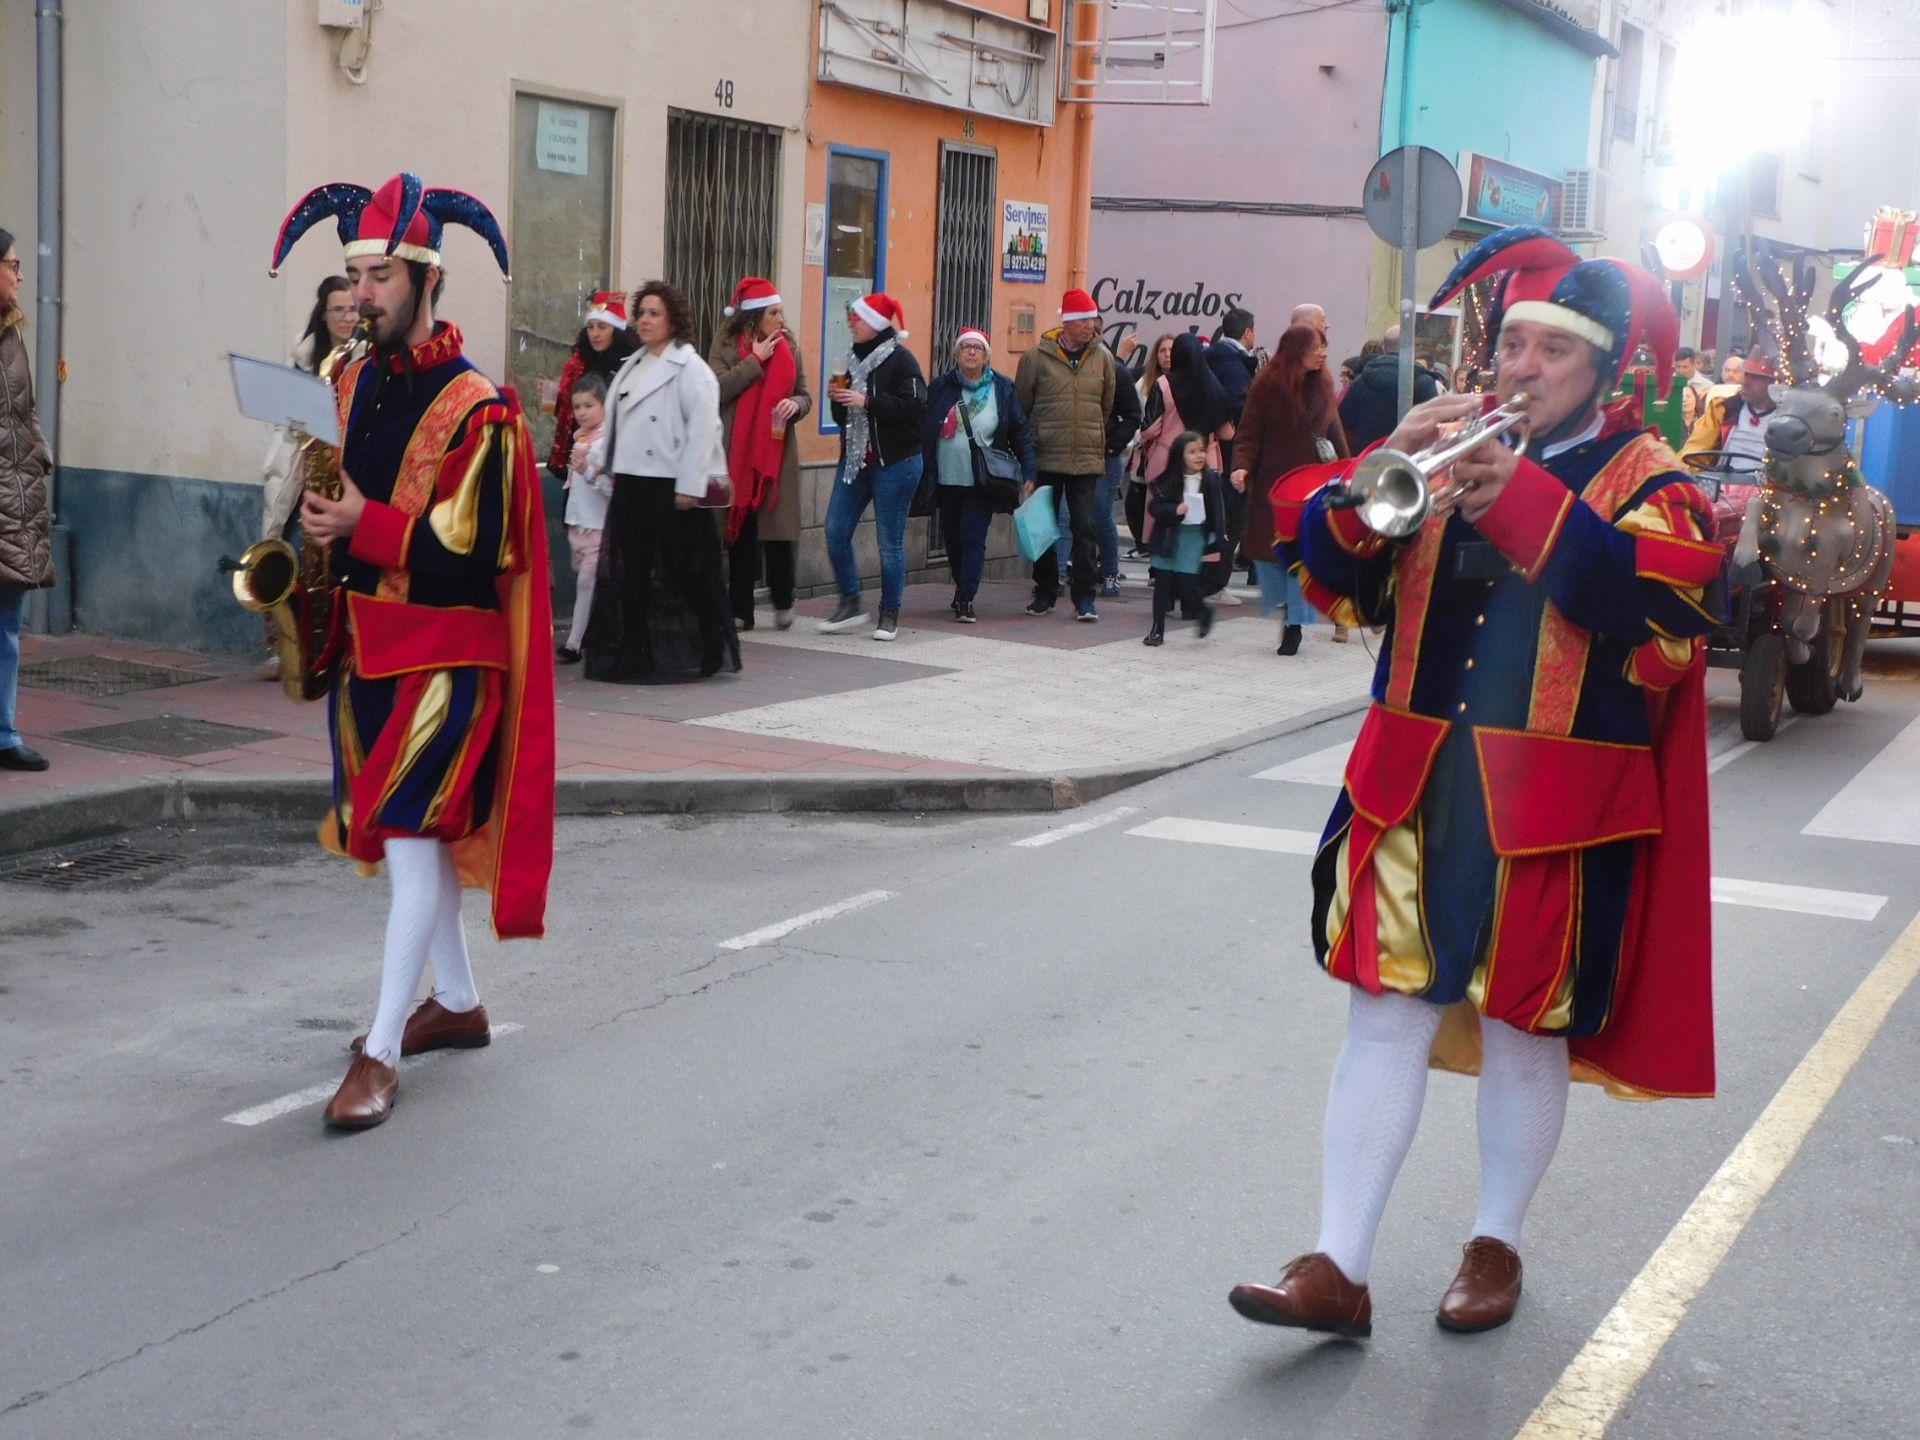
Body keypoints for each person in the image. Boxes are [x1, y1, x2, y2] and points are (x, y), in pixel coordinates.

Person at [1229, 224, 1720, 1340]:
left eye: (1551, 352)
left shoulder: (1654, 479)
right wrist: (1376, 467)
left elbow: (1663, 613)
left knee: (1522, 1028)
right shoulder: (1441, 451)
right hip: (1410, 785)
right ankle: (1337, 1267)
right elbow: (1327, 567)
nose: (1520, 370)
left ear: (1604, 367)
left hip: (1552, 804)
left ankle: (1495, 1242)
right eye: (1512, 349)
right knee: (1383, 1019)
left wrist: (1516, 499)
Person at [272, 171, 556, 1129]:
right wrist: (321, 526)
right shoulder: (349, 379)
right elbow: (342, 501)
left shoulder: (482, 405)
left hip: (446, 653)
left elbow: (481, 548)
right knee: (412, 846)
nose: (363, 292)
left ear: (426, 276)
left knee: (405, 837)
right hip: (366, 644)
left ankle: (382, 1053)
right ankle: (460, 1004)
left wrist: (365, 520)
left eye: (381, 274)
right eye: (355, 275)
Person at [584, 281, 741, 681]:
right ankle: (634, 653)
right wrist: (601, 460)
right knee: (630, 573)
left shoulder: (692, 370)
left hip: (671, 487)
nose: (646, 320)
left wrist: (690, 484)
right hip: (633, 484)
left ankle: (710, 643)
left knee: (687, 572)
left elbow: (705, 429)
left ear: (673, 319)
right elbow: (619, 423)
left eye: (655, 313)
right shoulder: (633, 365)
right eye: (642, 313)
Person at [256, 276, 364, 680]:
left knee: (341, 562)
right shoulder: (303, 358)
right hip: (303, 472)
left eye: (352, 308)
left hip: (347, 474)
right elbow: (284, 417)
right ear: (323, 314)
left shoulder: (367, 356)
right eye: (339, 309)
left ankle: (340, 643)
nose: (348, 317)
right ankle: (287, 645)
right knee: (291, 553)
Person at [1232, 323, 1351, 655]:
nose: (1322, 354)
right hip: (1276, 484)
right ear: (1296, 351)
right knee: (1277, 554)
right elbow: (1250, 430)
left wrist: (1348, 467)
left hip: (1313, 485)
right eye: (1315, 348)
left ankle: (1294, 624)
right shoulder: (1268, 384)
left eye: (1323, 347)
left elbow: (1334, 429)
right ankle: (1287, 612)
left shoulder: (1324, 383)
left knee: (1302, 554)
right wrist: (1242, 465)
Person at [821, 293, 926, 642]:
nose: (852, 323)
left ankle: (889, 612)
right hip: (856, 461)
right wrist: (837, 401)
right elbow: (843, 418)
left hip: (895, 462)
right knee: (835, 530)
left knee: (889, 543)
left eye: (859, 318)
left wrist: (867, 401)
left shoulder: (901, 361)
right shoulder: (851, 360)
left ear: (877, 325)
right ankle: (850, 602)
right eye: (851, 318)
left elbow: (914, 409)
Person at [709, 277, 810, 632]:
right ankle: (741, 610)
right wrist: (754, 361)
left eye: (781, 311)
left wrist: (794, 405)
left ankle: (784, 600)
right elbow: (715, 390)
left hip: (775, 452)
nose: (781, 318)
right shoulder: (724, 345)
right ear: (753, 316)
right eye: (774, 312)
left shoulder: (790, 347)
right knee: (741, 532)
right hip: (737, 452)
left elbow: (805, 396)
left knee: (778, 532)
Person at [1015, 288, 1120, 622]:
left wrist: (1093, 436)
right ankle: (1045, 592)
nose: (1091, 326)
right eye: (1085, 320)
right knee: (1044, 528)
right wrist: (1030, 449)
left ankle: (1085, 598)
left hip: (1086, 458)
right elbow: (1022, 405)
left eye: (1092, 319)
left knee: (1084, 528)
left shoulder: (1103, 357)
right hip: (1047, 454)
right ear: (1069, 323)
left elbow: (1106, 404)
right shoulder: (1036, 357)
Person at [923, 328, 1036, 622]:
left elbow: (1020, 432)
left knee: (973, 536)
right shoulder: (940, 387)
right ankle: (963, 585)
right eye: (966, 347)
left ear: (986, 355)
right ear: (956, 354)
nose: (971, 352)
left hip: (983, 480)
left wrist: (1030, 470)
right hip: (947, 477)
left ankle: (965, 598)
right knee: (953, 538)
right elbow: (923, 426)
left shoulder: (1002, 388)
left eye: (977, 348)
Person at [0, 226, 53, 773]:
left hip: (16, 498)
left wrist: (39, 453)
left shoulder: (13, 332)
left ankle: (5, 733)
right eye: (12, 264)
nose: (19, 274)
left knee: (7, 626)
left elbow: (26, 407)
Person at [1142, 431, 1227, 646]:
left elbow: (1218, 509)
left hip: (1194, 536)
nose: (1199, 456)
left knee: (1186, 581)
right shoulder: (1169, 479)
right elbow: (1155, 507)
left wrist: (1219, 535)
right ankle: (1157, 629)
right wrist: (1174, 510)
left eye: (1202, 451)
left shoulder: (1210, 480)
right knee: (1162, 582)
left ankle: (1203, 611)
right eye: (1192, 452)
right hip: (1169, 534)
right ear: (1180, 455)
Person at [547, 291, 638, 481]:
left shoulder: (628, 367)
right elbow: (576, 410)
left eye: (602, 327)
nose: (595, 334)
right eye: (590, 327)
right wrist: (559, 396)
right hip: (579, 454)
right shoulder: (580, 363)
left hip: (610, 460)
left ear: (616, 329)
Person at [555, 372, 611, 665]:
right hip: (579, 523)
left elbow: (611, 488)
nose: (582, 413)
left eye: (589, 405)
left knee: (586, 582)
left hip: (599, 525)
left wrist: (588, 470)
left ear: (604, 406)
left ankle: (574, 643)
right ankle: (597, 634)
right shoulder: (579, 441)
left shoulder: (606, 444)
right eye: (577, 407)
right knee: (589, 582)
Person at [1339, 323, 1438, 451]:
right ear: (1411, 348)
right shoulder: (1423, 382)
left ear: (1384, 348)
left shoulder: (1362, 380)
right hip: (1406, 459)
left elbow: (1345, 419)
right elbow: (1432, 424)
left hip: (1366, 457)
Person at [1682, 344, 1777, 474]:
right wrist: (1678, 474)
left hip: (1764, 489)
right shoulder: (1723, 410)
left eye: (1755, 377)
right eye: (1746, 375)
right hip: (1721, 485)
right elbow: (1695, 447)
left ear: (1775, 383)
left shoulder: (1784, 419)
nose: (1745, 382)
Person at [1126, 333, 1178, 558]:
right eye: (1162, 351)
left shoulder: (1182, 382)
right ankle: (1146, 547)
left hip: (1170, 454)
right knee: (1139, 504)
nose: (1167, 355)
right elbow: (1136, 419)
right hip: (1145, 454)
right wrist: (1142, 435)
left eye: (1171, 350)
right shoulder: (1144, 385)